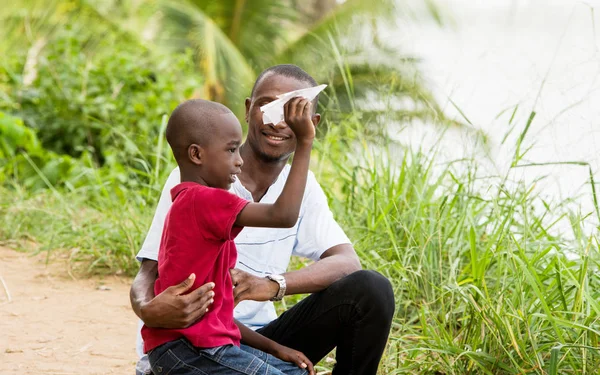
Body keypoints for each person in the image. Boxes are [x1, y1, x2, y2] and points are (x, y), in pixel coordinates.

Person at [130, 65, 395, 375]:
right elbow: (150, 271)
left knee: (371, 290)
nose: (278, 121)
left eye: (293, 112)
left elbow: (347, 262)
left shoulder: (301, 187)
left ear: (311, 124)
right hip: (192, 348)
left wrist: (270, 285)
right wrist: (147, 308)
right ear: (248, 109)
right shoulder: (194, 183)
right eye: (268, 106)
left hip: (244, 336)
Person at [142, 97, 317, 374]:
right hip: (188, 350)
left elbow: (216, 317)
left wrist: (275, 348)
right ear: (197, 155)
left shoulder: (187, 206)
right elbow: (282, 216)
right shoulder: (204, 200)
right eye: (232, 150)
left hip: (193, 347)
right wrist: (305, 142)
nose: (240, 161)